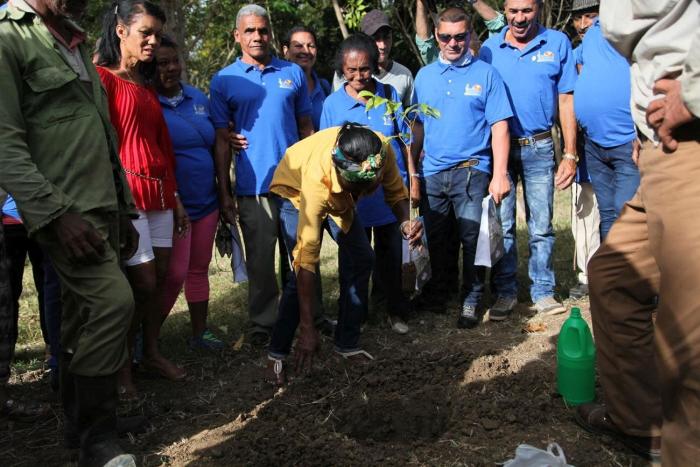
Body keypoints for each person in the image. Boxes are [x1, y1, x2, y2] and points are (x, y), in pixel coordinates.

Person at [0, 0, 140, 462]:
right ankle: (97, 440)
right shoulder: (8, 37)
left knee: (81, 320)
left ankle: (81, 428)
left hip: (102, 206)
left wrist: (124, 210)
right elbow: (5, 144)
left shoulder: (72, 36)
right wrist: (56, 216)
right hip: (64, 213)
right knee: (113, 302)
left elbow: (101, 134)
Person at [575, 1, 700, 464]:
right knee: (612, 276)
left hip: (691, 136)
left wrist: (693, 91)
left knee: (687, 348)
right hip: (658, 145)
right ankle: (639, 423)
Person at [266, 124, 423, 383]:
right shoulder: (317, 182)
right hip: (296, 189)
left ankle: (346, 345)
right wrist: (307, 329)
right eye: (356, 190)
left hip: (338, 199)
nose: (363, 196)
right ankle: (277, 354)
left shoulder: (381, 149)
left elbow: (396, 194)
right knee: (300, 276)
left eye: (368, 188)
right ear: (343, 178)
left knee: (363, 259)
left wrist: (406, 222)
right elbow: (306, 260)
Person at [96, 0, 188, 397]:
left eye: (156, 33)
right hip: (128, 196)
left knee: (162, 279)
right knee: (141, 283)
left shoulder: (145, 85)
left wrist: (176, 196)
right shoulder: (103, 78)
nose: (153, 41)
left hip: (161, 194)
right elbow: (100, 144)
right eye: (145, 33)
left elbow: (161, 145)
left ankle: (150, 352)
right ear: (121, 31)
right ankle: (120, 370)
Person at [210, 4, 314, 346]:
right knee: (259, 261)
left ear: (271, 33)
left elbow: (305, 127)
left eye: (263, 30)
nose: (258, 36)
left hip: (295, 183)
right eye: (250, 31)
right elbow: (221, 141)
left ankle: (308, 317)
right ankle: (262, 325)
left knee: (301, 256)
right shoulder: (224, 80)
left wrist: (314, 175)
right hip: (252, 187)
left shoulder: (293, 73)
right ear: (237, 35)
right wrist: (224, 192)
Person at [412, 6, 512, 327]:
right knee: (438, 240)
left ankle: (471, 297)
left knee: (472, 240)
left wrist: (499, 174)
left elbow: (500, 126)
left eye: (459, 36)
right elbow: (417, 129)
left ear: (470, 35)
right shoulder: (424, 76)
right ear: (437, 37)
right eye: (445, 37)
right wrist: (412, 172)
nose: (452, 43)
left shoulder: (486, 73)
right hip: (432, 174)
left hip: (472, 170)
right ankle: (439, 294)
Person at [480, 0, 578, 319]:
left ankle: (544, 291)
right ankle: (506, 292)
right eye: (513, 11)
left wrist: (570, 153)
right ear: (503, 11)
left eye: (527, 10)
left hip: (539, 146)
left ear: (538, 9)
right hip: (501, 151)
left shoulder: (557, 42)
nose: (519, 18)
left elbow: (566, 100)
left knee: (541, 225)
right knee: (503, 224)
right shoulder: (488, 49)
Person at [320, 33, 417, 334]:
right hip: (353, 199)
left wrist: (413, 179)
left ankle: (396, 312)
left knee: (391, 256)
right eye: (352, 70)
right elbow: (326, 152)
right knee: (353, 260)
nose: (359, 76)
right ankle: (355, 315)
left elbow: (405, 141)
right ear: (342, 70)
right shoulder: (332, 105)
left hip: (388, 193)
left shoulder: (389, 95)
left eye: (364, 69)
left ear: (374, 65)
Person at [155, 36, 224, 351]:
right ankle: (146, 337)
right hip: (172, 205)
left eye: (174, 61)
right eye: (161, 63)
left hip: (206, 201)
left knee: (199, 268)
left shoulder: (197, 97)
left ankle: (200, 333)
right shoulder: (148, 102)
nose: (171, 68)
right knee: (173, 274)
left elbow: (216, 142)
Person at [570, 0, 639, 299]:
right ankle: (613, 281)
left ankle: (639, 283)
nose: (585, 21)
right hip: (595, 143)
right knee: (608, 213)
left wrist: (643, 132)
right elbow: (573, 63)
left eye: (591, 15)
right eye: (581, 17)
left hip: (628, 141)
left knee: (629, 213)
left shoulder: (630, 26)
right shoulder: (592, 35)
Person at [332, 9, 414, 109]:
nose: (382, 45)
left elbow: (411, 119)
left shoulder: (404, 75)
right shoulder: (345, 73)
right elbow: (335, 109)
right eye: (376, 38)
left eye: (387, 37)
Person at [415, 0, 505, 66]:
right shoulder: (440, 65)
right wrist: (420, 2)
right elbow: (425, 43)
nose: (453, 42)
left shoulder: (488, 59)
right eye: (447, 36)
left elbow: (497, 24)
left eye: (460, 35)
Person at [282, 26, 331, 131]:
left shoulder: (324, 87)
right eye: (299, 46)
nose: (306, 51)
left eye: (311, 46)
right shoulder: (278, 88)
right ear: (286, 51)